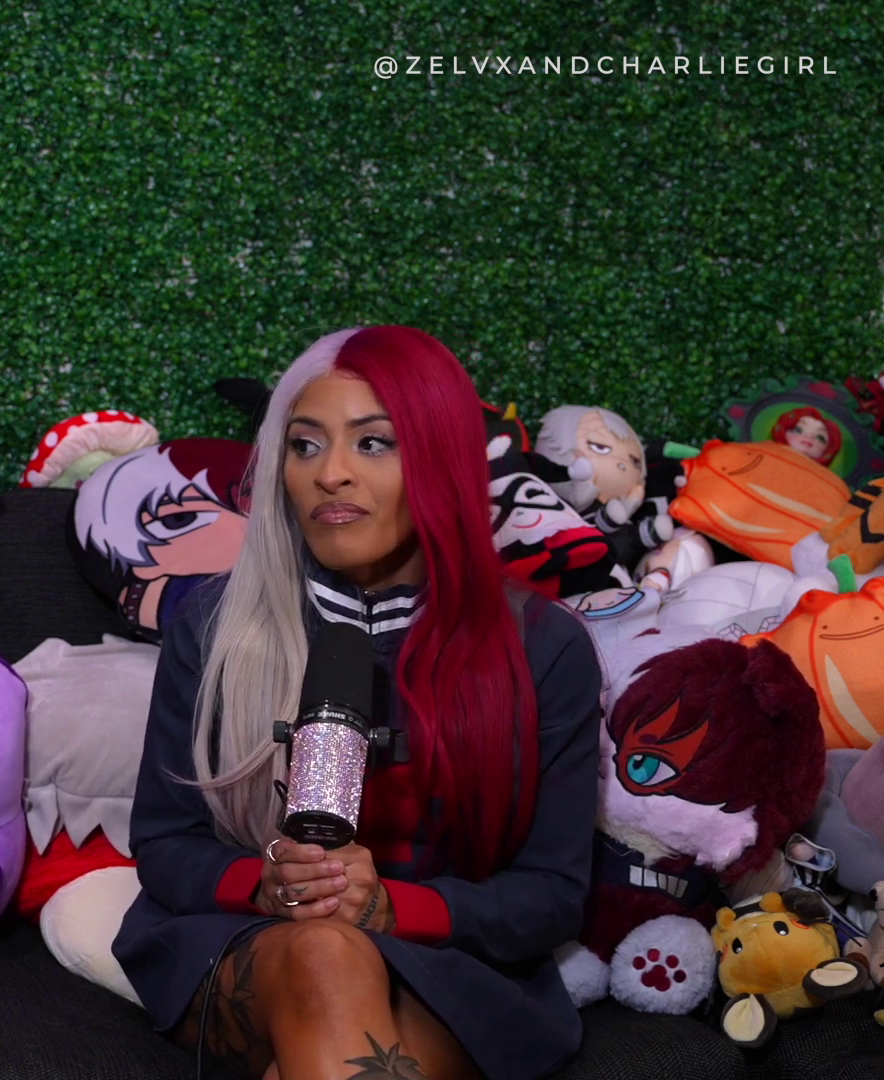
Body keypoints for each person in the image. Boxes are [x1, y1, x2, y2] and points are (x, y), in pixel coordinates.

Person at [112, 326, 602, 1080]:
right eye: (304, 446)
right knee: (324, 953)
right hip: (252, 937)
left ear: (441, 459)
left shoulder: (545, 647)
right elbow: (165, 843)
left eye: (373, 443)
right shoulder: (212, 626)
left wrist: (391, 909)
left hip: (454, 959)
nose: (330, 473)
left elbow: (552, 894)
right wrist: (269, 883)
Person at [770, 405, 840, 467]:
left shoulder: (824, 476)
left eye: (820, 437)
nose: (809, 436)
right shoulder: (768, 454)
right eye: (799, 430)